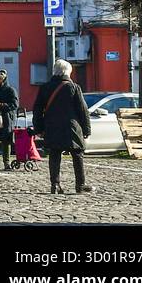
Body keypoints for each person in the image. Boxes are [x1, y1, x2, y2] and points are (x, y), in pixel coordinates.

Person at [32, 59, 94, 195]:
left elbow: (37, 109)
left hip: (52, 126)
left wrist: (39, 129)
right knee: (77, 155)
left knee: (54, 155)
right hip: (71, 127)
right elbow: (83, 110)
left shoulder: (45, 87)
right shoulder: (73, 87)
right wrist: (86, 129)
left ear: (55, 71)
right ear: (68, 72)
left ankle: (55, 184)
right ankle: (80, 185)